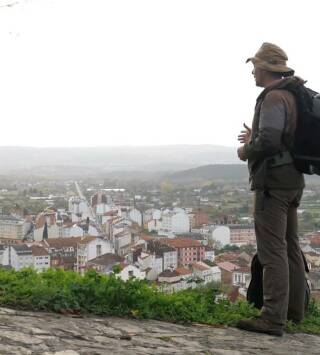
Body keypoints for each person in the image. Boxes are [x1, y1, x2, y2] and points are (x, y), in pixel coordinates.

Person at [236, 42, 306, 336]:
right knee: (290, 247)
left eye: (255, 66)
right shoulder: (293, 94)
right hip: (292, 181)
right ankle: (293, 313)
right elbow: (282, 137)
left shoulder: (274, 97)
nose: (252, 71)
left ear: (264, 68)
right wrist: (260, 136)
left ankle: (272, 317)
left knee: (272, 250)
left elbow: (270, 142)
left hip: (273, 185)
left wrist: (245, 150)